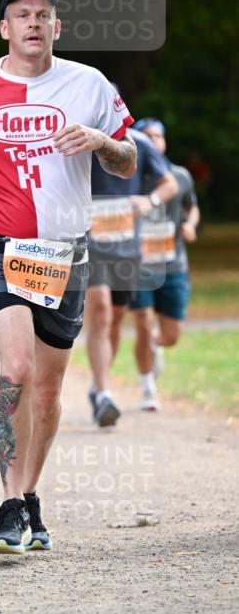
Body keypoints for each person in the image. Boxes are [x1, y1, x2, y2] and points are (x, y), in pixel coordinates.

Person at [0, 0, 137, 556]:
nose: (33, 24)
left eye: (44, 16)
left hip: (63, 255)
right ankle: (8, 502)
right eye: (22, 16)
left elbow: (128, 161)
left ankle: (28, 496)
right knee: (14, 368)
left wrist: (99, 140)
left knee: (46, 392)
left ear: (57, 27)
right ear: (5, 29)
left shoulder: (89, 84)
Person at [85, 122, 177, 425]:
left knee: (116, 317)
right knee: (100, 311)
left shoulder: (138, 141)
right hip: (89, 243)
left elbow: (169, 184)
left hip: (126, 247)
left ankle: (99, 382)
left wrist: (149, 201)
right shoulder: (79, 140)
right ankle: (104, 393)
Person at [129, 118, 200, 410]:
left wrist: (191, 225)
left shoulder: (180, 175)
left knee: (170, 336)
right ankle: (148, 389)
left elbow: (191, 206)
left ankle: (156, 347)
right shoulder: (130, 175)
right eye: (145, 136)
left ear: (164, 142)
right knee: (143, 324)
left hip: (174, 263)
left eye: (156, 136)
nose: (152, 141)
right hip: (137, 265)